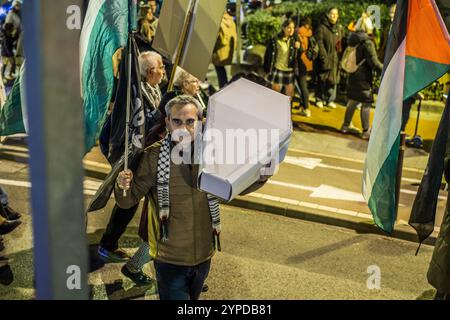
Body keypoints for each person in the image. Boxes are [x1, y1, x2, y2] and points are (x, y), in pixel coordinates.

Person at [115, 95, 270, 300]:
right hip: (170, 259)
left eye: (190, 121)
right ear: (168, 122)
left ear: (200, 122)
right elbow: (127, 200)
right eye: (177, 121)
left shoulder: (211, 153)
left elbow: (234, 187)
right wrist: (122, 185)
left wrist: (261, 177)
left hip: (204, 255)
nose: (183, 128)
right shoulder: (153, 156)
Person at [97, 51, 165, 264]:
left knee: (132, 199)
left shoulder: (153, 89)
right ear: (150, 71)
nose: (164, 71)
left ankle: (114, 241)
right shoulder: (135, 94)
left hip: (140, 154)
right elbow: (140, 124)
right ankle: (107, 245)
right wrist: (162, 111)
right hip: (128, 153)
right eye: (161, 67)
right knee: (128, 201)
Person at [340, 28, 383, 140]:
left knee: (352, 101)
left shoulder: (353, 40)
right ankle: (365, 131)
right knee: (366, 103)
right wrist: (385, 70)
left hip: (353, 76)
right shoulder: (367, 43)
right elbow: (374, 63)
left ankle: (345, 125)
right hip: (364, 78)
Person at [263, 19, 300, 104]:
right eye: (289, 27)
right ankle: (274, 109)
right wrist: (266, 69)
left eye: (293, 28)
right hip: (278, 69)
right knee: (275, 94)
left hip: (289, 70)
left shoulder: (295, 40)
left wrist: (299, 47)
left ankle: (287, 112)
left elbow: (300, 54)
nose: (291, 30)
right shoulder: (275, 40)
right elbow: (267, 55)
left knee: (289, 95)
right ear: (283, 28)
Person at [314, 7, 344, 109]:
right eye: (332, 13)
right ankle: (319, 99)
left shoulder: (339, 28)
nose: (334, 16)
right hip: (324, 58)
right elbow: (319, 43)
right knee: (322, 79)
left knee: (333, 80)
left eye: (336, 14)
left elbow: (341, 44)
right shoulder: (321, 28)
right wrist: (323, 57)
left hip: (335, 59)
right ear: (327, 14)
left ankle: (330, 99)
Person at [294, 17, 317, 117]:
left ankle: (306, 107)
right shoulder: (309, 33)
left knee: (299, 86)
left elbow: (300, 48)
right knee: (303, 85)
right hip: (306, 62)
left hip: (297, 62)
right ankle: (304, 106)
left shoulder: (297, 32)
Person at [212, 10, 237, 89]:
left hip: (220, 50)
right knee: (224, 71)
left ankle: (223, 88)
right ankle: (226, 87)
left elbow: (218, 38)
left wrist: (213, 48)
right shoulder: (230, 19)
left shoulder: (220, 21)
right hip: (228, 49)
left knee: (220, 71)